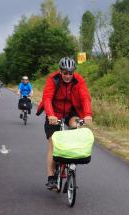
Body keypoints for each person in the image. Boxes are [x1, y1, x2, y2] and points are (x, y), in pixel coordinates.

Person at [36, 57, 92, 189]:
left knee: (76, 125)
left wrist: (88, 115)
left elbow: (85, 97)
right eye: (65, 73)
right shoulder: (53, 79)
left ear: (74, 72)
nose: (68, 76)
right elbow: (47, 98)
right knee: (53, 143)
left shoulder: (78, 80)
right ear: (60, 72)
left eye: (70, 73)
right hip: (54, 113)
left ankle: (70, 164)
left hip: (70, 112)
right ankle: (51, 177)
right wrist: (50, 115)